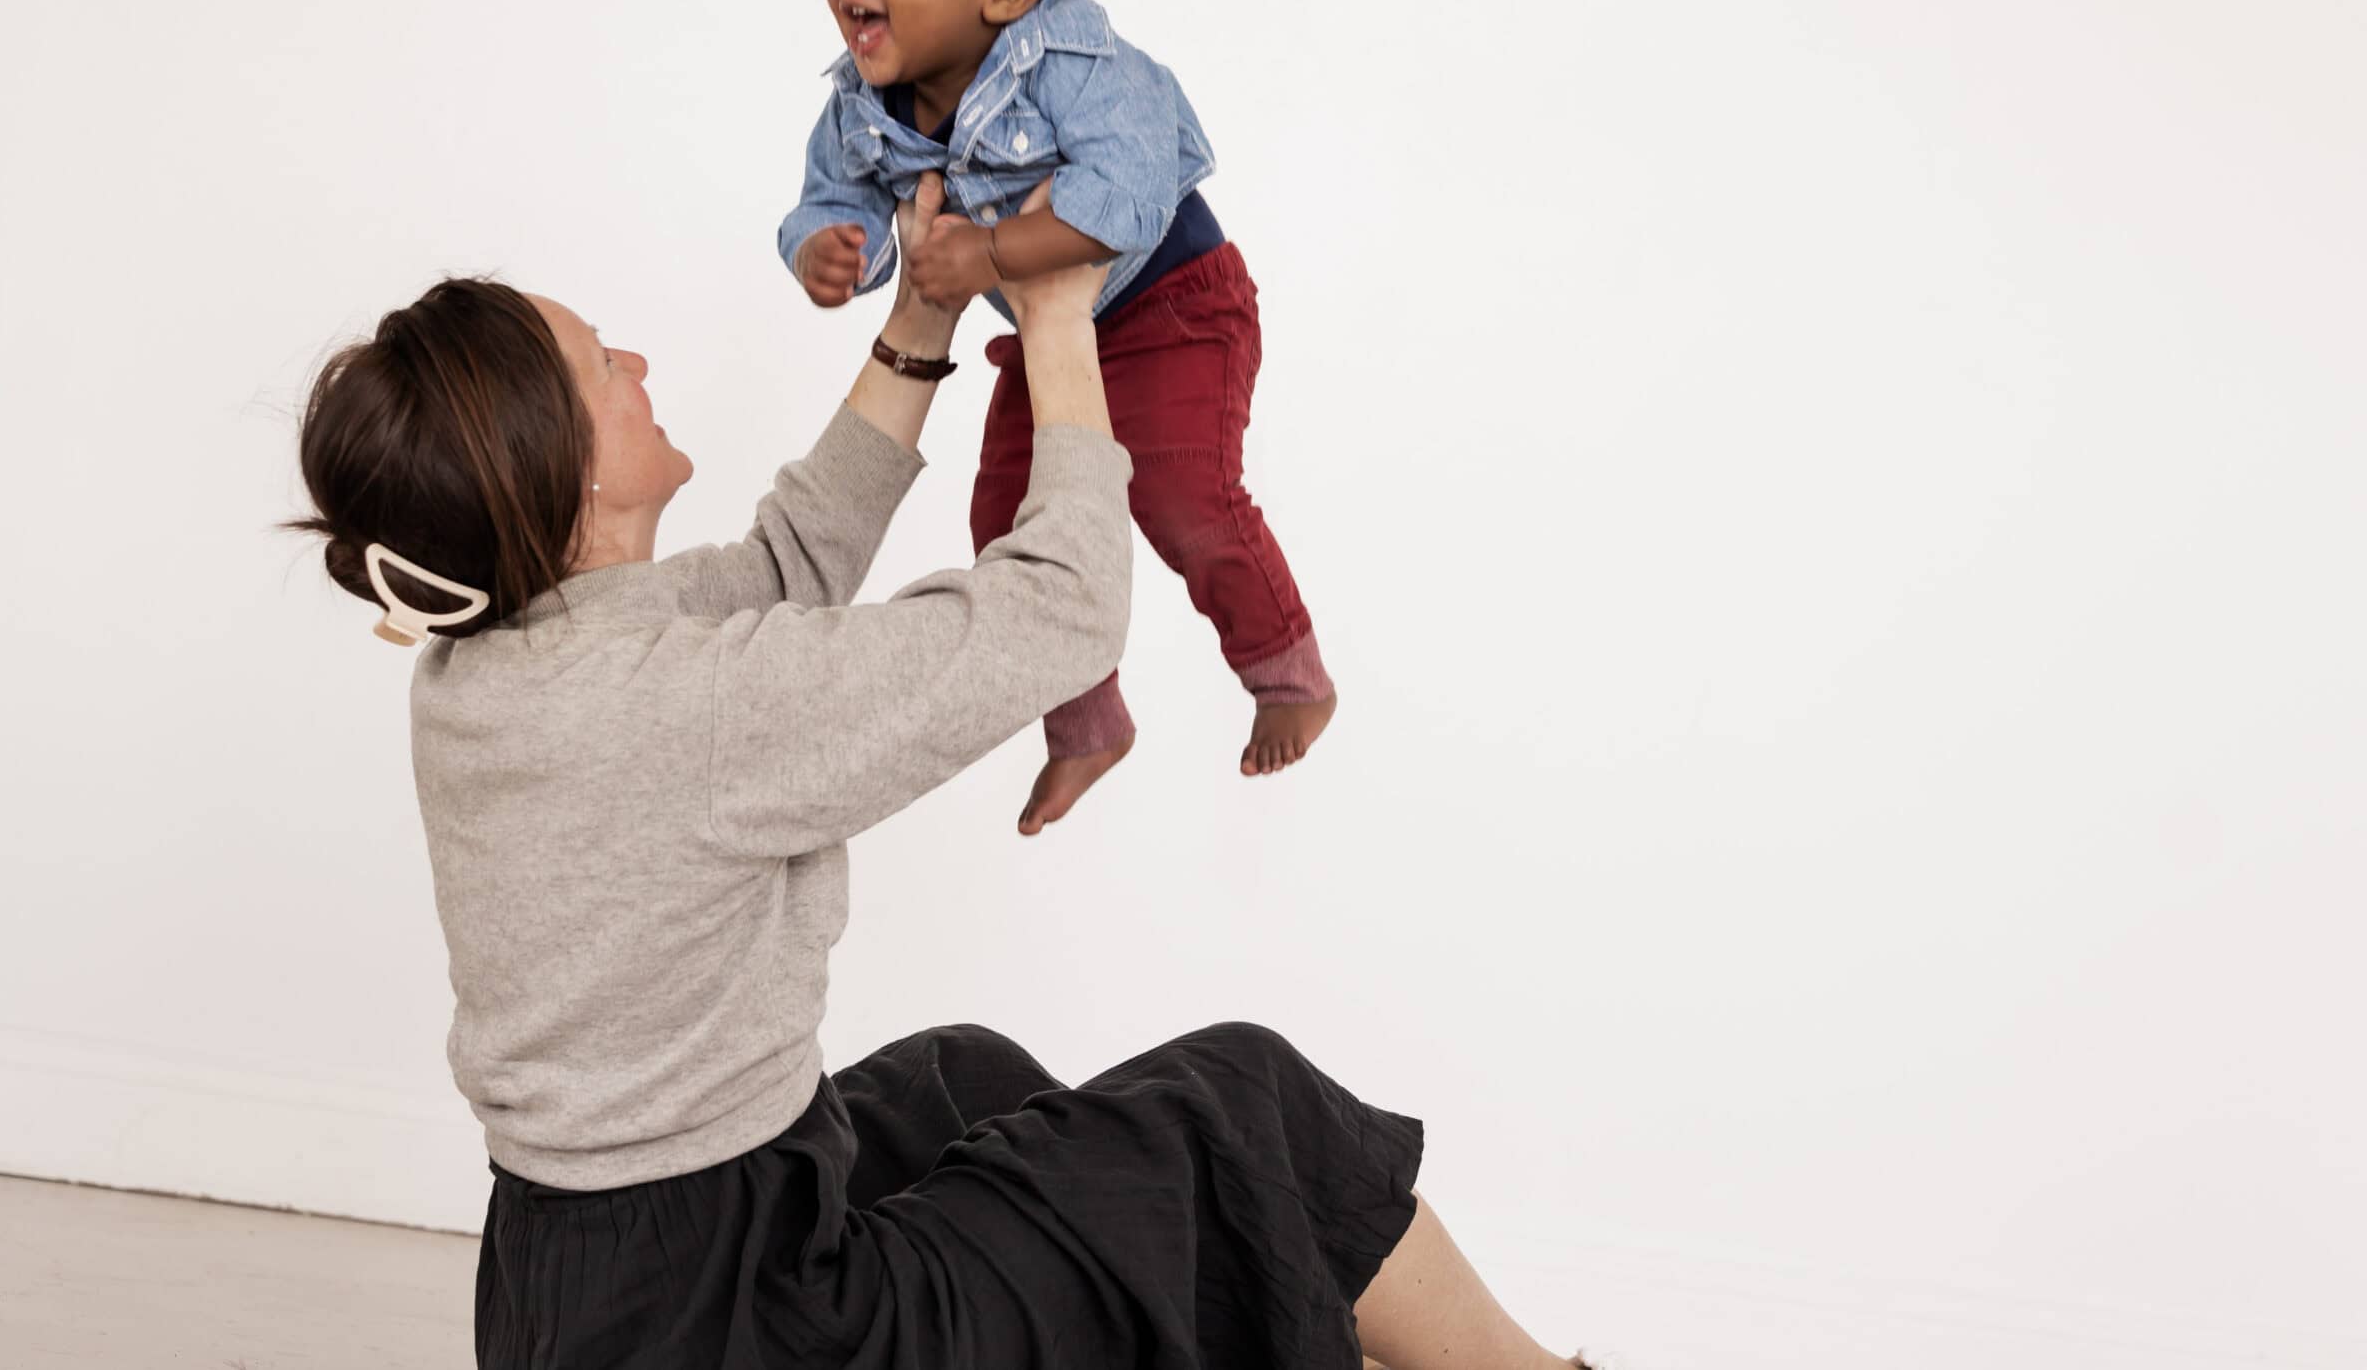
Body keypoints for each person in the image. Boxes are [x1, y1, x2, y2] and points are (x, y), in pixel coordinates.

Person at [290, 177, 1607, 1369]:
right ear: (569, 472)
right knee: (1249, 1106)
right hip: (748, 1323)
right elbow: (1061, 614)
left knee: (959, 1081)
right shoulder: (688, 709)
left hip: (567, 1294)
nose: (634, 360)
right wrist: (1059, 321)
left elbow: (785, 569)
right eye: (600, 364)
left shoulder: (487, 668)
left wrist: (921, 315)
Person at [778, 0, 1337, 835]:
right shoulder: (861, 103)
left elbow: (1126, 198)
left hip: (1172, 302)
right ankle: (1085, 723)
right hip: (1048, 335)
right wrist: (826, 250)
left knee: (1180, 490)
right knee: (1005, 522)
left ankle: (1284, 666)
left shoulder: (1079, 65)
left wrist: (989, 255)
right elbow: (828, 194)